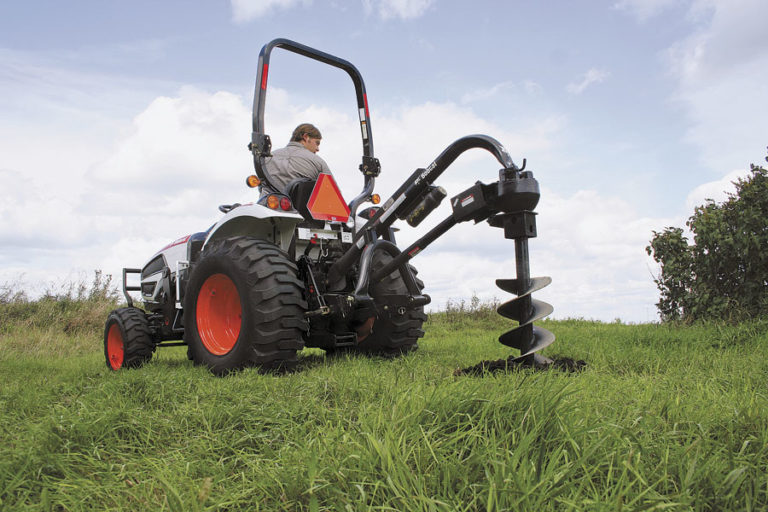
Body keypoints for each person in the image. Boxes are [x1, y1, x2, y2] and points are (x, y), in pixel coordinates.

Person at [261, 123, 332, 196]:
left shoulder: (267, 158)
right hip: (298, 207)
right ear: (306, 137)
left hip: (266, 205)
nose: (317, 149)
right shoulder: (317, 161)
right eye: (317, 143)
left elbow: (261, 186)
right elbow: (332, 194)